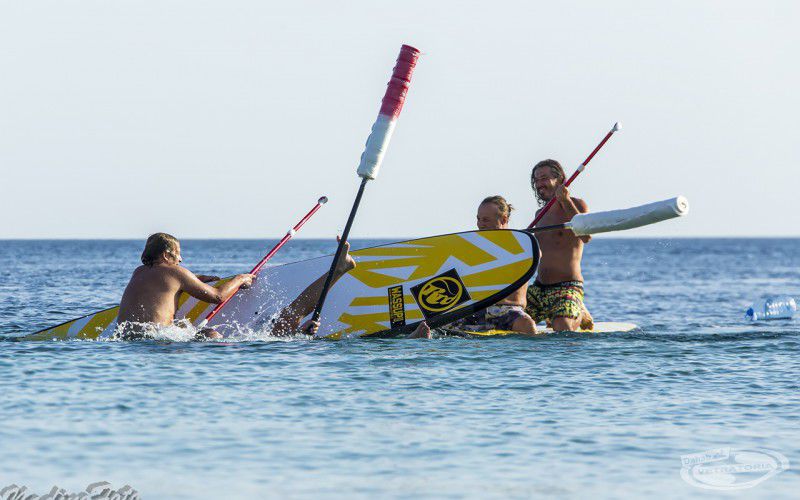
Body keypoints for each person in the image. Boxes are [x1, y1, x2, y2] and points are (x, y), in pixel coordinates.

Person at [116, 233, 356, 340]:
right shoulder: (176, 272)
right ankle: (337, 270)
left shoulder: (139, 273)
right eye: (178, 255)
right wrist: (241, 279)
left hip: (130, 338)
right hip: (159, 339)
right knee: (213, 336)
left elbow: (168, 283)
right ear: (167, 255)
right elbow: (219, 297)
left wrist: (195, 279)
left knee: (194, 331)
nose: (181, 260)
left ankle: (296, 331)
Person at [452, 196, 537, 334]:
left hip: (507, 311)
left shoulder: (522, 245)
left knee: (528, 325)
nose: (480, 224)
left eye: (486, 220)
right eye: (478, 219)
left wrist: (512, 246)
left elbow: (537, 254)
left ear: (503, 220)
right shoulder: (474, 247)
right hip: (477, 311)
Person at [527, 159, 594, 331]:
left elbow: (586, 236)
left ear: (560, 180)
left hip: (568, 287)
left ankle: (578, 312)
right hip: (539, 289)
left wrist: (565, 201)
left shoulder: (577, 205)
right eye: (536, 180)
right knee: (509, 322)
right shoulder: (539, 214)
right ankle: (553, 312)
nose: (539, 184)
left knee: (562, 327)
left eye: (544, 178)